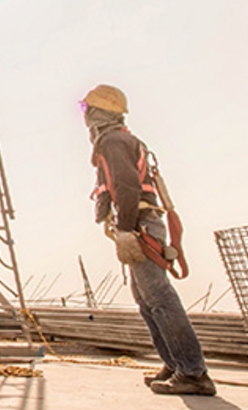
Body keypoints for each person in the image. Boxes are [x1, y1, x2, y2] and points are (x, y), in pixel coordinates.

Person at [82, 84, 216, 396]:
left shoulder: (113, 141)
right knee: (146, 300)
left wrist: (126, 229)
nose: (85, 116)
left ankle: (193, 372)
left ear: (99, 112)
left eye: (87, 109)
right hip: (142, 223)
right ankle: (174, 362)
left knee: (159, 298)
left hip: (140, 224)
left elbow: (126, 186)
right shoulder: (120, 139)